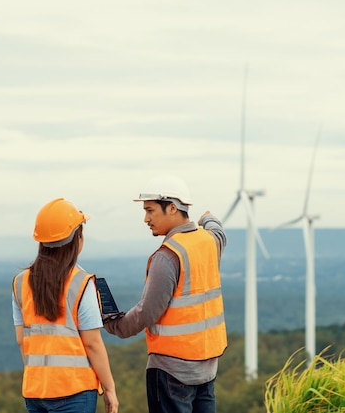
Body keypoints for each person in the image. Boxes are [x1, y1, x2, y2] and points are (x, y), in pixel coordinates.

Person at [103, 175, 227, 413]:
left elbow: (147, 312)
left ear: (172, 207)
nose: (145, 219)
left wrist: (115, 325)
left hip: (171, 371)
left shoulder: (167, 256)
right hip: (207, 369)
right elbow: (218, 231)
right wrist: (208, 218)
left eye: (150, 211)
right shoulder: (210, 242)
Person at [12, 198, 119, 413]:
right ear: (76, 238)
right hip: (74, 391)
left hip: (35, 391)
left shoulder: (20, 282)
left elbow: (21, 340)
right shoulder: (81, 283)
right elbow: (93, 344)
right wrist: (110, 389)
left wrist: (42, 379)